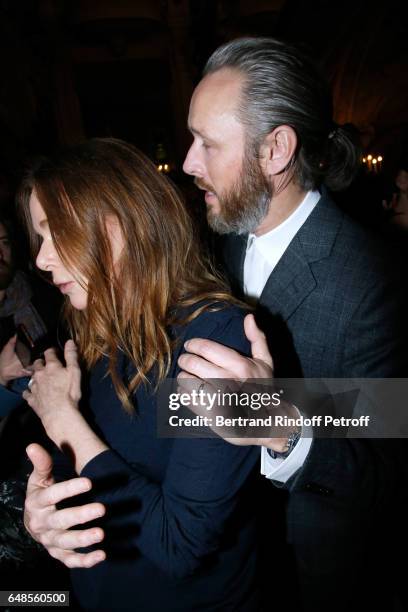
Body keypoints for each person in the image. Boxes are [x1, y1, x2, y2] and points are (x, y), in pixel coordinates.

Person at [179, 37, 407, 609]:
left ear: (276, 148)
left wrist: (281, 423)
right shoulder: (225, 239)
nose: (187, 162)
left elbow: (388, 471)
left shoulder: (372, 282)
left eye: (207, 143)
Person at [18, 138, 260, 611]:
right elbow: (88, 477)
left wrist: (62, 419)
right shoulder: (94, 326)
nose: (43, 260)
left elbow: (181, 543)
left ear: (118, 227)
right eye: (39, 239)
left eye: (54, 232)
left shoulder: (213, 338)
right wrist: (42, 513)